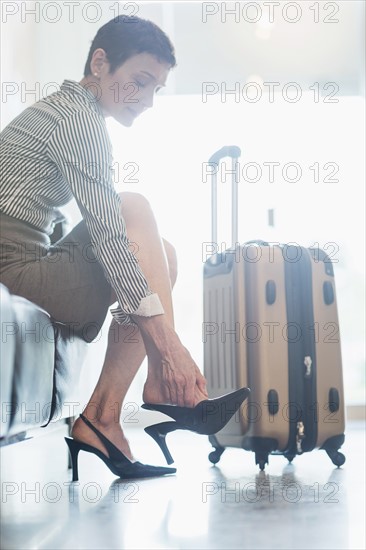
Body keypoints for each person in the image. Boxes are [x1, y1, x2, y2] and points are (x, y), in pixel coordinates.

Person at [0, 15, 249, 480]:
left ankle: (103, 418)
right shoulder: (77, 119)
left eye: (156, 89)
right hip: (12, 268)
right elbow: (110, 234)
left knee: (164, 254)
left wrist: (164, 342)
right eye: (139, 82)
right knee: (132, 206)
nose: (148, 100)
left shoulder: (71, 113)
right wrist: (169, 344)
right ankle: (154, 383)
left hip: (26, 260)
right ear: (100, 63)